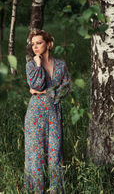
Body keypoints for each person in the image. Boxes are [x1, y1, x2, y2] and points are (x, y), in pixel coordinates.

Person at [24, 29, 70, 193]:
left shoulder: (60, 65)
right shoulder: (31, 65)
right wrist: (38, 64)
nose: (35, 46)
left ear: (49, 44)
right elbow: (37, 85)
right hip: (35, 115)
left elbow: (66, 88)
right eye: (33, 44)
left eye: (39, 43)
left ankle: (56, 190)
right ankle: (37, 191)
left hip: (54, 113)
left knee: (55, 155)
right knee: (36, 157)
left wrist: (47, 93)